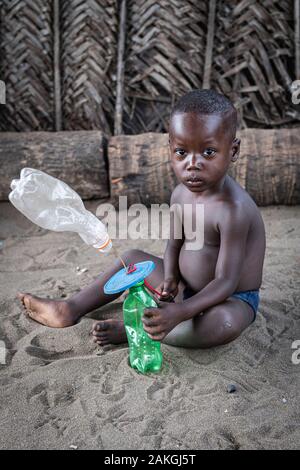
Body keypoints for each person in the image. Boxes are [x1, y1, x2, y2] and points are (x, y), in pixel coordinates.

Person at [18, 89, 266, 349]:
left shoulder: (234, 210)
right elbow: (174, 245)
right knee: (134, 259)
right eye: (182, 152)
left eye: (208, 152)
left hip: (231, 298)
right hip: (184, 290)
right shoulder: (180, 194)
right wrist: (170, 278)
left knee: (222, 324)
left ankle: (137, 330)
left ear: (234, 150)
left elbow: (226, 282)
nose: (193, 163)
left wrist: (180, 312)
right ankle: (69, 308)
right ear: (170, 148)